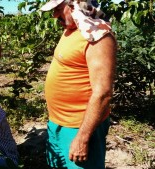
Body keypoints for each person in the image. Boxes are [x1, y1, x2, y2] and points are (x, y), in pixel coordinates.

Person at [40, 0, 117, 168]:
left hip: (79, 127)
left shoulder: (98, 37)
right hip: (58, 122)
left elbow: (103, 93)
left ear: (75, 6)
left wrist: (82, 137)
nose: (54, 16)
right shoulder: (72, 30)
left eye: (58, 9)